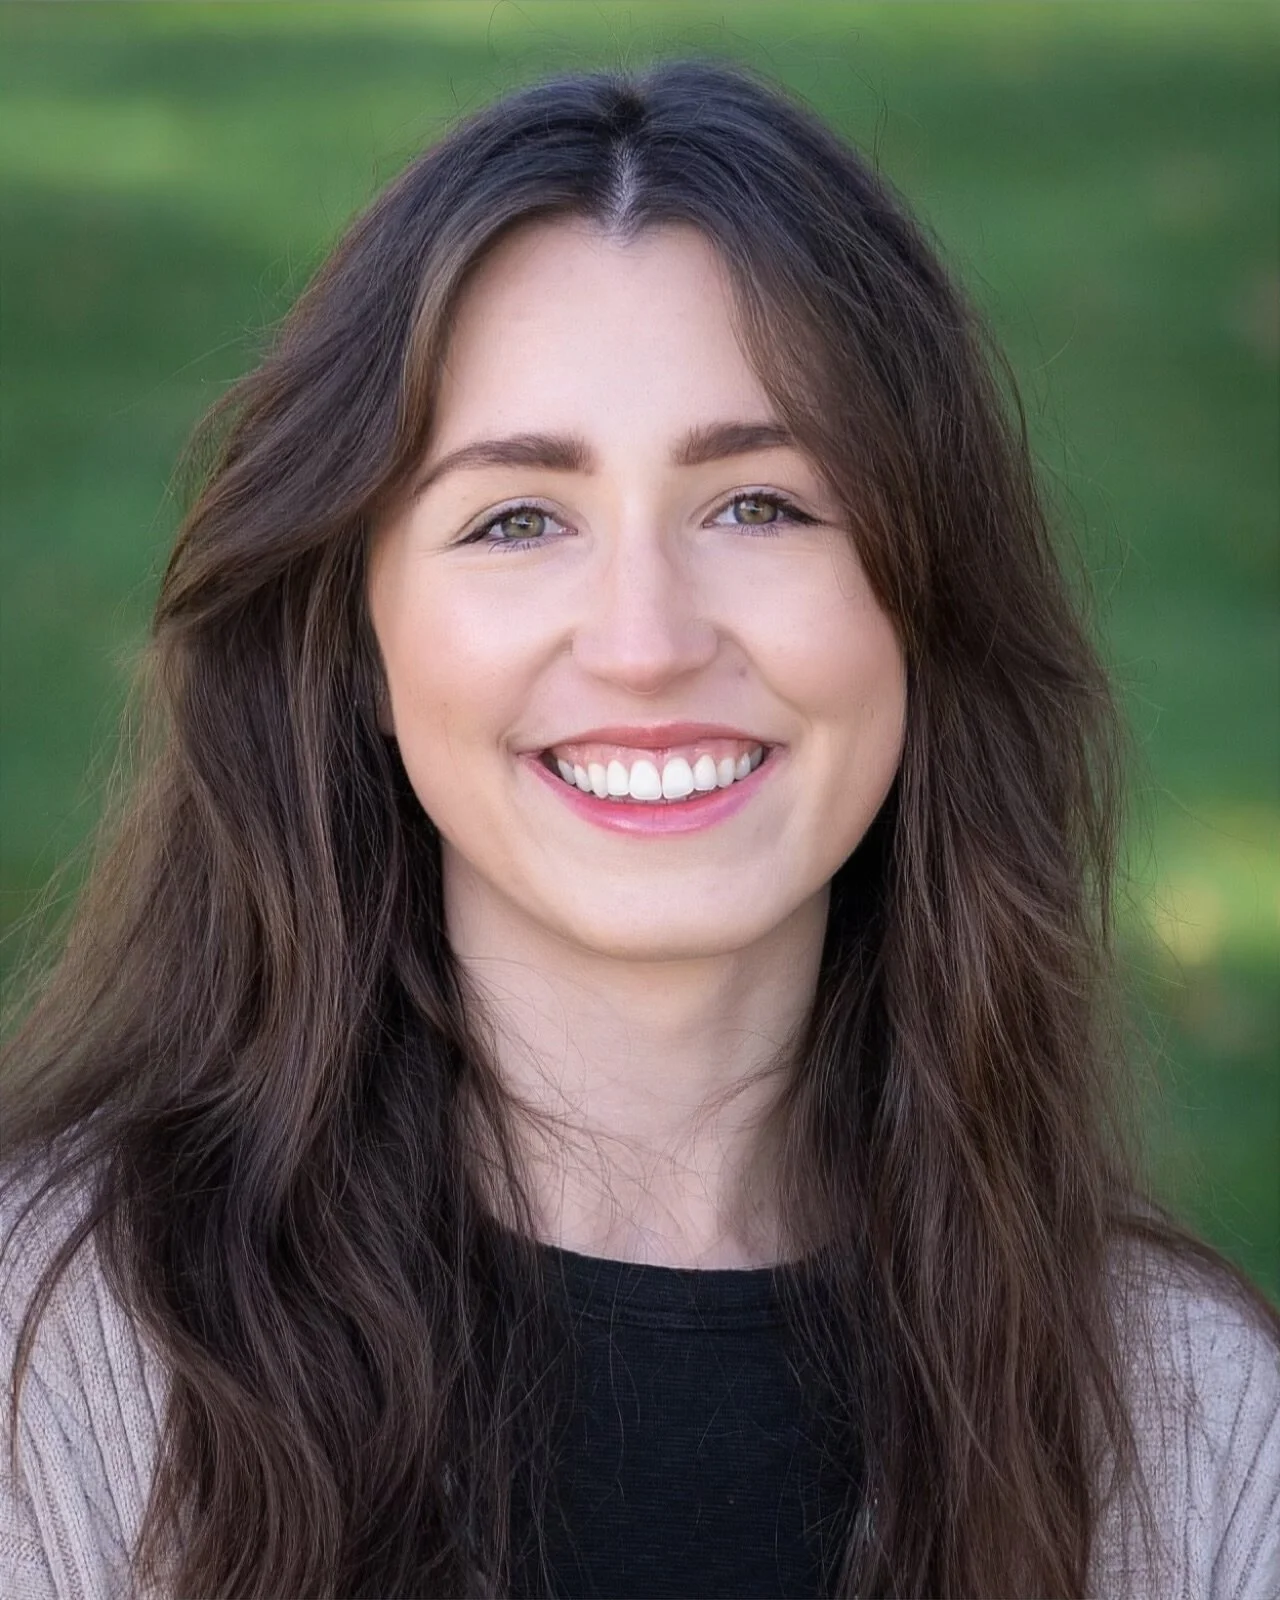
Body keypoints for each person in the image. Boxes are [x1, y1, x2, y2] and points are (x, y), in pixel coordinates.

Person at [1, 56, 1276, 1600]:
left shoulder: (1199, 1424)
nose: (647, 641)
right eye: (517, 521)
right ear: (361, 655)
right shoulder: (52, 1363)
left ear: (925, 612)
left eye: (761, 504)